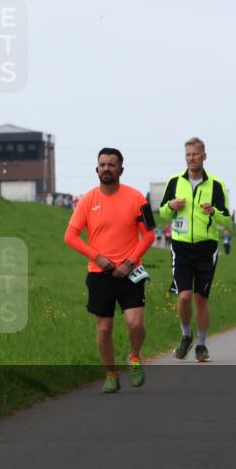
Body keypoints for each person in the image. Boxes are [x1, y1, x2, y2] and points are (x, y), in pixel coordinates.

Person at [65, 148, 156, 393]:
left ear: (121, 170)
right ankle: (111, 373)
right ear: (97, 169)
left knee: (135, 324)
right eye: (103, 164)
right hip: (99, 274)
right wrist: (97, 257)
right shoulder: (87, 200)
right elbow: (70, 236)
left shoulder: (137, 198)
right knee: (104, 328)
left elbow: (149, 235)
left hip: (130, 272)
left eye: (111, 164)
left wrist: (129, 261)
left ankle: (134, 357)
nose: (106, 168)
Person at [159, 137, 231, 362]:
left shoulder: (216, 185)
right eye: (188, 154)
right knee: (183, 297)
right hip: (180, 246)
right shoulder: (174, 182)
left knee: (200, 299)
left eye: (195, 154)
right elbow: (163, 212)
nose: (191, 158)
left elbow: (226, 219)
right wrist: (171, 206)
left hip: (206, 248)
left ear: (204, 156)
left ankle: (201, 344)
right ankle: (186, 335)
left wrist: (214, 212)